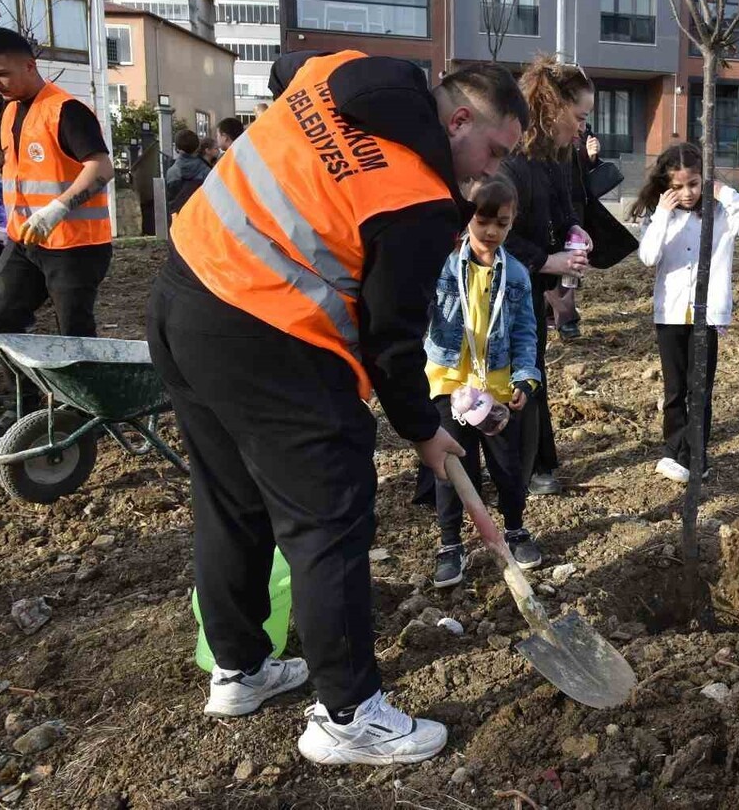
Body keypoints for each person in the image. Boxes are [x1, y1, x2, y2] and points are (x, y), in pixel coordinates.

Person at [146, 49, 527, 765]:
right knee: (331, 514)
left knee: (231, 497)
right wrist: (423, 429)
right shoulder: (415, 196)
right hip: (267, 328)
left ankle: (240, 666)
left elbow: (286, 70)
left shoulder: (342, 69)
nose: (489, 170)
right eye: (494, 149)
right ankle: (349, 714)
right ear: (462, 118)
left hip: (184, 290)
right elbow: (390, 342)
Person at [424, 175, 543, 587]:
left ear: (512, 224)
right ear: (467, 217)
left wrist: (525, 380)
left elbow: (527, 332)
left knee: (508, 466)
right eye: (483, 221)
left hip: (495, 388)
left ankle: (515, 527)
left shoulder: (517, 277)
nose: (491, 231)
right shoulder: (440, 264)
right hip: (447, 384)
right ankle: (450, 543)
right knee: (453, 467)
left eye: (502, 224)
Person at [0, 28, 114, 433]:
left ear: (30, 65)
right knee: (2, 315)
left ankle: (87, 412)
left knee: (74, 330)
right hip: (24, 241)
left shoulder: (66, 110)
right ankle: (25, 404)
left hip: (75, 245)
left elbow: (101, 167)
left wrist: (59, 207)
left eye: (2, 73)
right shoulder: (9, 111)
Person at [631, 143, 739, 484]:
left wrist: (725, 193)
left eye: (693, 184)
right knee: (675, 389)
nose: (687, 193)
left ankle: (696, 455)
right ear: (666, 187)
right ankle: (671, 450)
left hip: (707, 315)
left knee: (700, 389)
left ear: (704, 180)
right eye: (677, 186)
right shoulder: (661, 217)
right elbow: (647, 257)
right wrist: (662, 213)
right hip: (671, 314)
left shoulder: (721, 213)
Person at [501, 55, 594, 496]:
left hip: (528, 288)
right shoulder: (509, 161)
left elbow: (564, 209)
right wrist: (546, 261)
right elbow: (489, 232)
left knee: (530, 371)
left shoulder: (551, 158)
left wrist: (575, 231)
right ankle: (511, 469)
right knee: (504, 375)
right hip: (496, 290)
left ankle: (536, 465)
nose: (580, 129)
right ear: (551, 108)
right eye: (578, 117)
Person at [543, 125, 600, 340]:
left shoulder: (584, 132)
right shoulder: (548, 132)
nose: (580, 125)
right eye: (579, 116)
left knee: (572, 257)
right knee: (555, 258)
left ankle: (555, 313)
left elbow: (580, 172)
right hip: (551, 202)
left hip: (575, 204)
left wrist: (590, 156)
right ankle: (565, 317)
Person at [165, 129, 211, 214]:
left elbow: (171, 199)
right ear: (197, 147)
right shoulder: (207, 171)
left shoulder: (172, 172)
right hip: (201, 216)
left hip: (180, 219)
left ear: (177, 149)